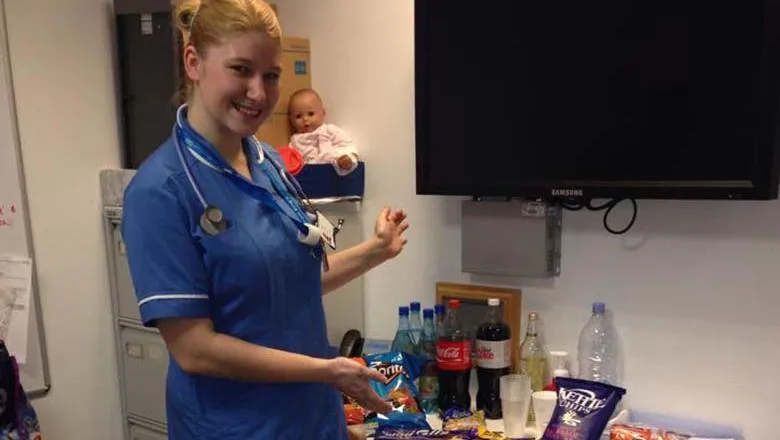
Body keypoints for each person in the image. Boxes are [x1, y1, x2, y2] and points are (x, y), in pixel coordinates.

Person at [120, 1, 408, 439]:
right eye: (240, 69)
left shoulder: (269, 162)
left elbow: (287, 285)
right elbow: (195, 349)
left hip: (312, 420)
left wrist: (377, 251)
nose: (258, 91)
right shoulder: (160, 191)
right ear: (193, 62)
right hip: (237, 428)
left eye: (270, 75)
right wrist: (326, 370)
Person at [288, 88, 360, 175]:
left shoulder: (328, 130)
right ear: (291, 121)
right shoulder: (295, 140)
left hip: (333, 167)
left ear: (323, 113)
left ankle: (346, 163)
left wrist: (348, 156)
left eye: (311, 114)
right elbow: (291, 159)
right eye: (298, 116)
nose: (305, 119)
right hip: (311, 173)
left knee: (343, 153)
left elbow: (346, 143)